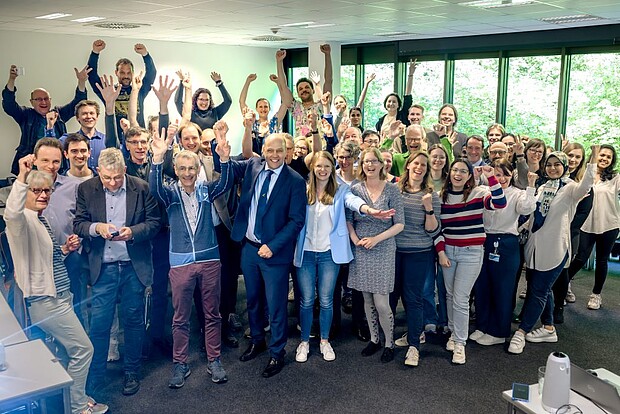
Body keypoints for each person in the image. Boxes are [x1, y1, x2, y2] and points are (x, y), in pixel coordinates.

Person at [5, 156, 108, 414]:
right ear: (26, 193)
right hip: (46, 301)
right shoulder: (22, 220)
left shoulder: (40, 220)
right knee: (83, 349)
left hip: (60, 295)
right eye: (36, 190)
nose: (43, 195)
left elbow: (45, 261)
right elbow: (11, 213)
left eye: (47, 190)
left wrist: (64, 249)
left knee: (66, 352)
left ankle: (71, 401)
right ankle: (77, 406)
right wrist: (21, 178)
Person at [149, 121, 233, 387]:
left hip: (209, 260)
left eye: (192, 168)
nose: (187, 173)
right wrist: (157, 159)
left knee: (212, 314)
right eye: (182, 168)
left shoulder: (207, 189)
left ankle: (214, 359)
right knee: (180, 317)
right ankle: (180, 363)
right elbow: (154, 189)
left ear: (198, 170)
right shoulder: (170, 194)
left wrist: (225, 159)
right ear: (176, 170)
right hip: (181, 263)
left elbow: (227, 182)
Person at [73, 148, 161, 396]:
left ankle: (132, 372)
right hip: (103, 268)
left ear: (124, 169)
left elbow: (154, 223)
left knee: (133, 321)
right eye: (106, 178)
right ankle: (96, 376)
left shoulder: (141, 187)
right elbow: (78, 224)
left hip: (134, 266)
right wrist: (96, 227)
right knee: (99, 325)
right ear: (98, 172)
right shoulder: (86, 189)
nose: (112, 183)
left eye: (117, 177)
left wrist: (133, 232)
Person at [218, 132, 306, 378]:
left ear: (287, 152)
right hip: (248, 248)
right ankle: (258, 340)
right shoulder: (253, 166)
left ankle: (277, 352)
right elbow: (228, 171)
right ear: (263, 151)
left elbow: (296, 221)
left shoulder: (295, 181)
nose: (275, 155)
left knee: (276, 306)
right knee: (253, 300)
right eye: (270, 150)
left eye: (280, 151)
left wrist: (273, 246)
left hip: (274, 253)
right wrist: (224, 157)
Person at [294, 151, 393, 363]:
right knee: (307, 300)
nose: (322, 170)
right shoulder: (303, 190)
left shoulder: (340, 191)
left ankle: (324, 341)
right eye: (319, 166)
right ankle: (304, 342)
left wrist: (370, 210)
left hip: (330, 254)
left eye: (327, 166)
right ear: (312, 168)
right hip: (306, 252)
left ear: (332, 169)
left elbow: (354, 202)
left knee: (327, 300)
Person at [508, 148, 598, 354]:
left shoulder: (570, 188)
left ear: (564, 167)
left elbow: (586, 184)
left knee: (538, 291)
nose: (553, 168)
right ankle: (548, 327)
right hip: (535, 246)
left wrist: (593, 159)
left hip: (555, 248)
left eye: (557, 164)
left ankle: (521, 332)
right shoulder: (543, 187)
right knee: (540, 288)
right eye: (549, 164)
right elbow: (534, 214)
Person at [436, 160, 506, 364]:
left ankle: (460, 342)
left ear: (469, 176)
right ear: (449, 173)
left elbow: (500, 203)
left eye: (463, 171)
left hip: (471, 252)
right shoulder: (441, 197)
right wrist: (441, 252)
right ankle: (453, 332)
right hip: (448, 252)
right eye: (455, 170)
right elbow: (437, 229)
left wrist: (491, 176)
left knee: (460, 298)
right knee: (450, 295)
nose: (458, 174)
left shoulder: (478, 192)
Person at [347, 148, 405, 363]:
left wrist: (376, 239)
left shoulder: (392, 190)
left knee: (381, 302)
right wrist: (355, 239)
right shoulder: (355, 189)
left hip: (383, 248)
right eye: (366, 161)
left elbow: (400, 224)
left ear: (382, 164)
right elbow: (348, 219)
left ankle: (389, 343)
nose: (370, 165)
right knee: (367, 299)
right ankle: (374, 339)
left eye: (373, 161)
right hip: (361, 248)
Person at [471, 159, 536, 346]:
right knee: (482, 286)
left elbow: (527, 208)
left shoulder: (517, 193)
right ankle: (482, 325)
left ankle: (498, 331)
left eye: (506, 174)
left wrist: (531, 186)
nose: (501, 178)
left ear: (512, 175)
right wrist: (476, 177)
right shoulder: (484, 191)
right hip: (484, 240)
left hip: (506, 243)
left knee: (503, 288)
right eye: (497, 174)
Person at [394, 151, 441, 366]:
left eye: (423, 165)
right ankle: (389, 341)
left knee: (413, 299)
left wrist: (429, 208)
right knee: (392, 296)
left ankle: (414, 346)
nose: (419, 167)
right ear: (408, 165)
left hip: (419, 252)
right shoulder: (395, 191)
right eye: (416, 163)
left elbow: (433, 231)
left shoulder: (431, 195)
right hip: (394, 251)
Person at [3, 64, 89, 175]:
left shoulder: (58, 114)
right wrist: (12, 79)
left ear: (50, 100)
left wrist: (81, 82)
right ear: (31, 102)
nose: (43, 102)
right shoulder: (26, 115)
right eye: (39, 99)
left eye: (46, 99)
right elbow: (9, 105)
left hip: (57, 167)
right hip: (31, 168)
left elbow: (78, 104)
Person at [566, 144, 618, 310]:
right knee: (580, 258)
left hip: (609, 224)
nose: (604, 159)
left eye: (608, 157)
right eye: (602, 155)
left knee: (602, 260)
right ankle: (563, 285)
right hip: (586, 224)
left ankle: (596, 295)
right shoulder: (584, 174)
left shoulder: (615, 178)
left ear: (612, 161)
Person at [551, 142, 590, 315]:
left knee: (562, 270)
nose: (573, 159)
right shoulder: (552, 177)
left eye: (577, 157)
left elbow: (583, 212)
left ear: (582, 160)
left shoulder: (583, 182)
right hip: (548, 231)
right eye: (570, 155)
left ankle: (558, 306)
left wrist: (563, 225)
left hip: (569, 231)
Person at [87, 39, 156, 132]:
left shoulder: (138, 90)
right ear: (116, 73)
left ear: (132, 73)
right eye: (122, 73)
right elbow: (92, 75)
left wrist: (145, 54)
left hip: (138, 136)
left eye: (129, 73)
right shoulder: (109, 92)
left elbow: (151, 74)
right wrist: (95, 52)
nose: (126, 76)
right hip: (116, 137)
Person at [277, 46, 333, 137]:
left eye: (307, 87)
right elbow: (283, 86)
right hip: (300, 144)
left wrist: (327, 55)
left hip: (320, 143)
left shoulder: (322, 105)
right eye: (301, 89)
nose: (304, 90)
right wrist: (279, 62)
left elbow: (328, 81)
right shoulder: (295, 107)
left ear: (313, 90)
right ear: (298, 94)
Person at [239, 72, 289, 153]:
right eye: (260, 107)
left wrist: (278, 83)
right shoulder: (251, 122)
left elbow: (285, 102)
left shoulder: (274, 122)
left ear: (269, 108)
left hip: (272, 158)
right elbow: (242, 101)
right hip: (253, 158)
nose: (263, 109)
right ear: (256, 109)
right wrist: (248, 82)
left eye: (265, 106)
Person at [375, 60, 416, 140]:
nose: (391, 104)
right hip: (385, 146)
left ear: (398, 105)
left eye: (394, 102)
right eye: (389, 101)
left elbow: (407, 96)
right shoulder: (381, 121)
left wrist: (410, 74)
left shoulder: (403, 115)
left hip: (400, 145)